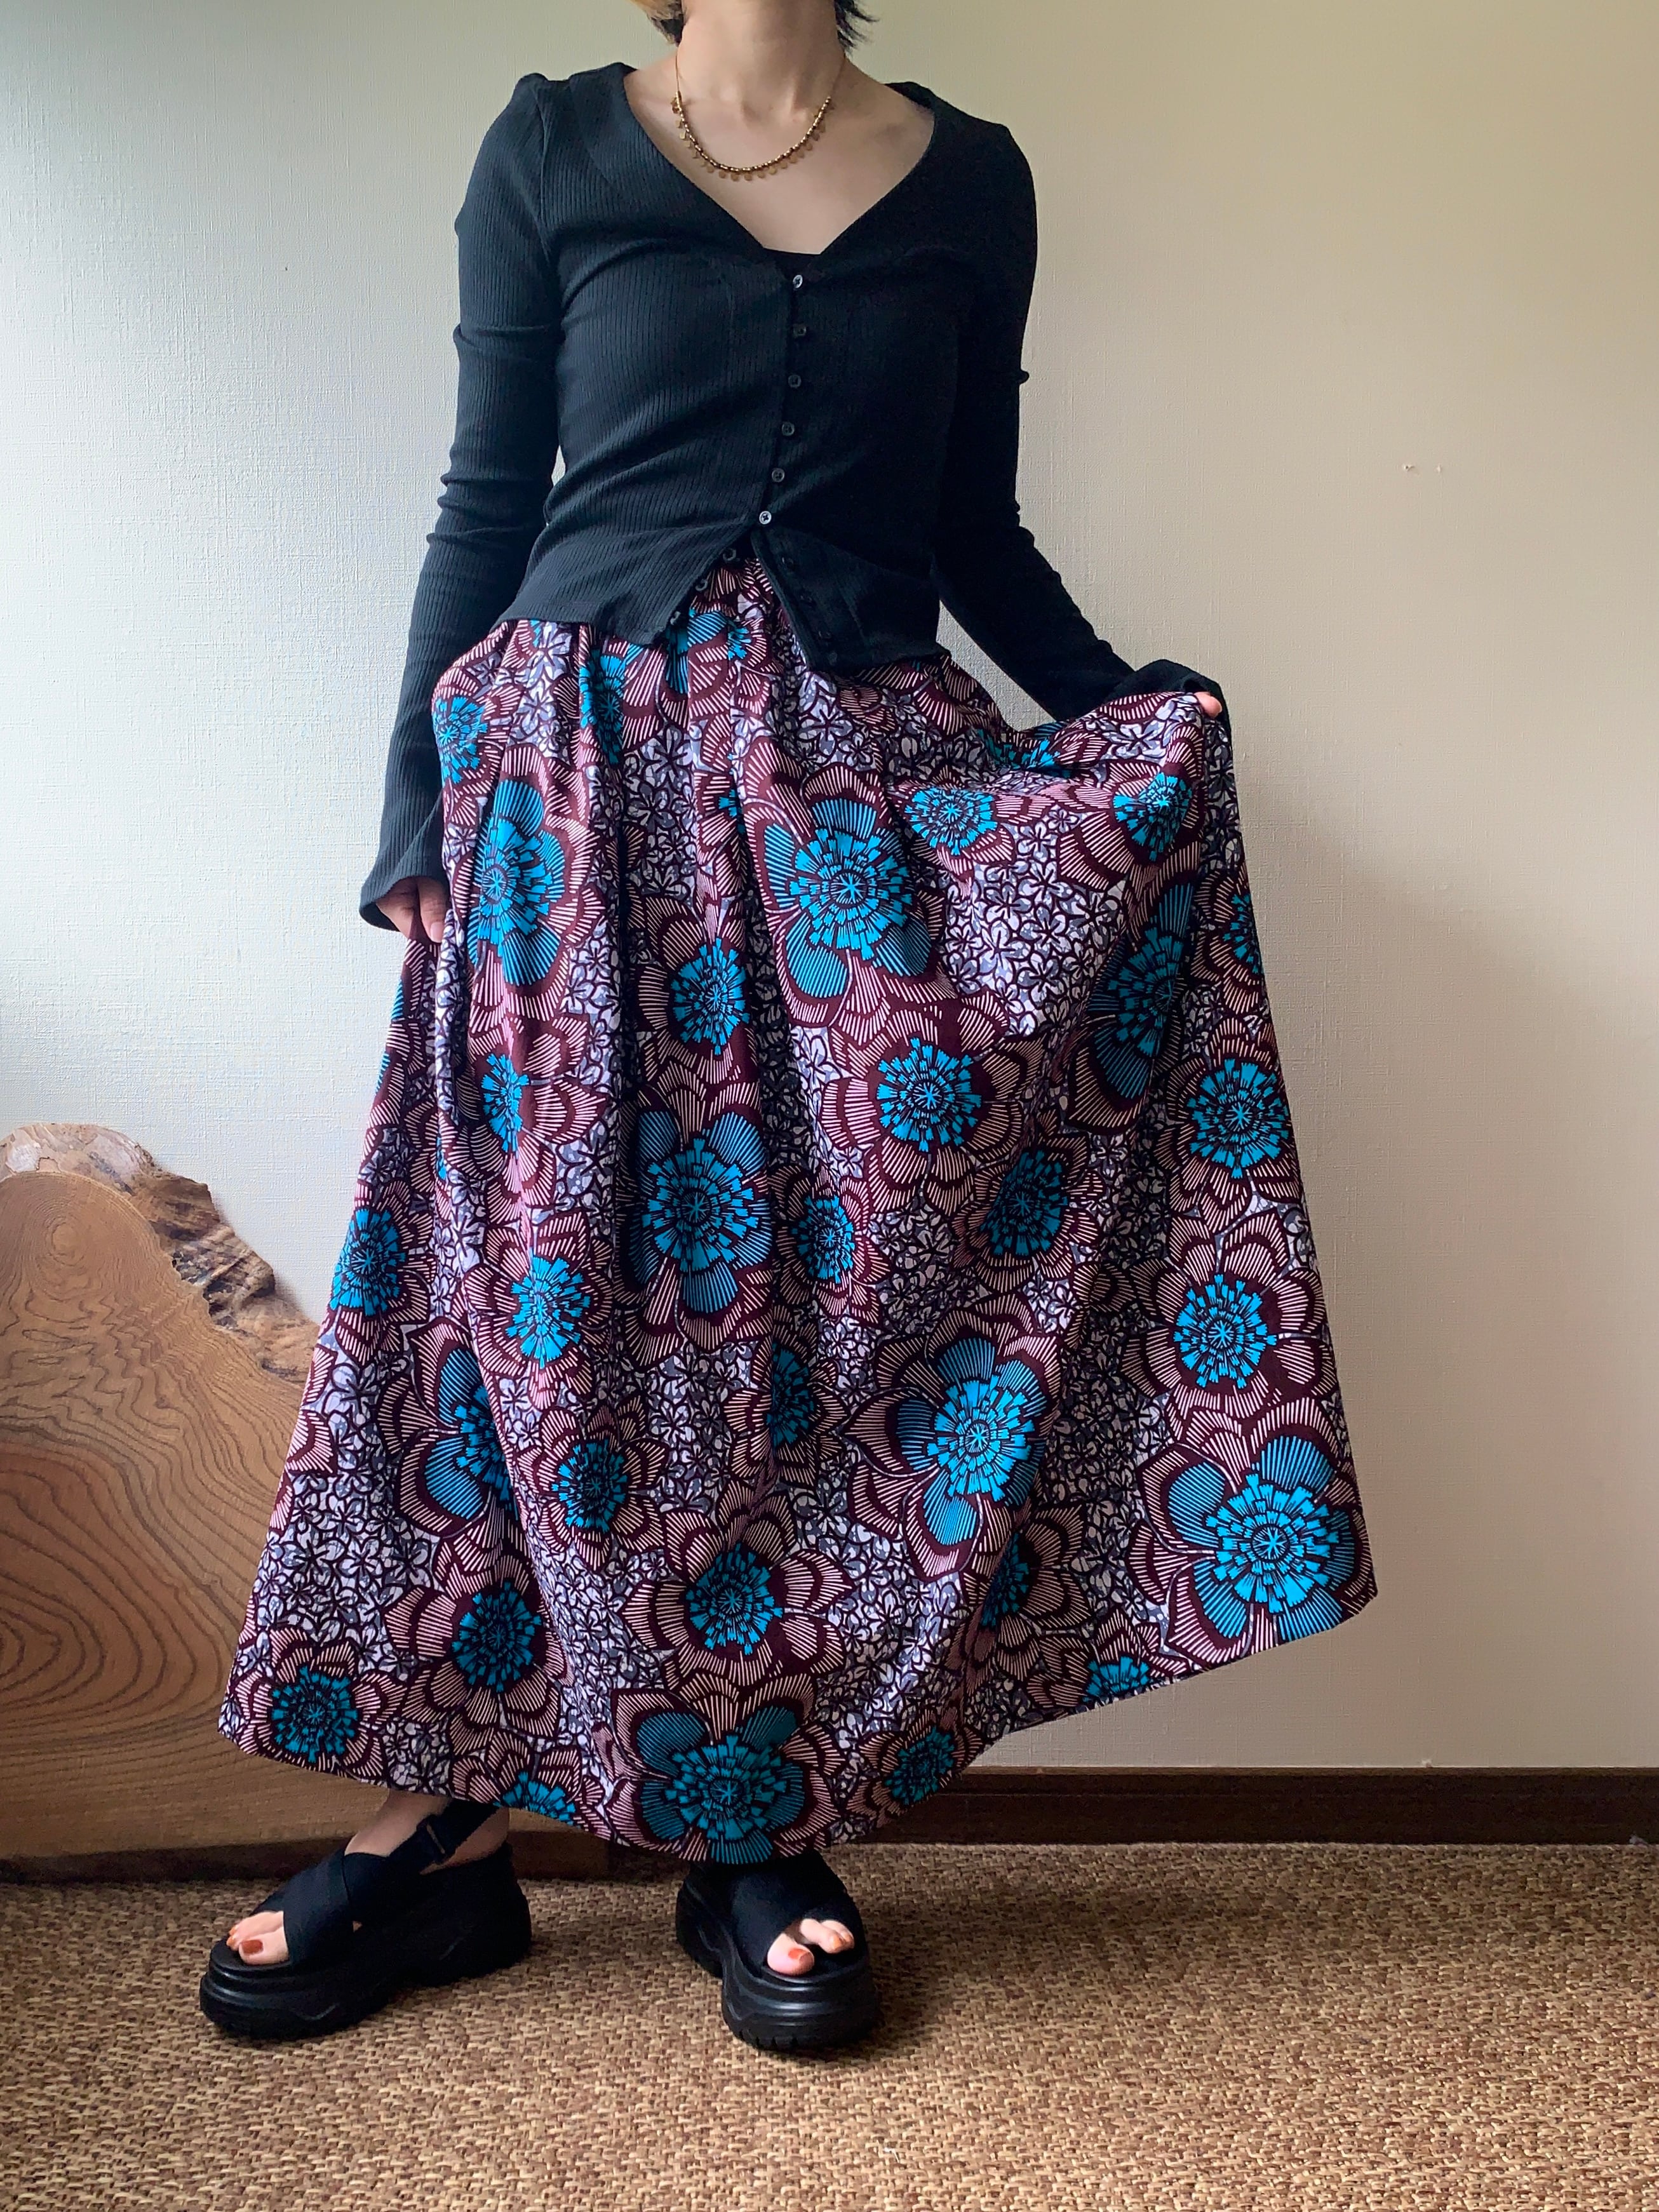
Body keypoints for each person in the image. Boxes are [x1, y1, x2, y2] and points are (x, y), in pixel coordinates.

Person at [202, 0, 1375, 2052]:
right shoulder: (552, 147)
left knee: (813, 1325)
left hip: (852, 820)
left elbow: (967, 529)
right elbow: (486, 498)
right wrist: (412, 811)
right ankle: (444, 1825)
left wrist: (1129, 722)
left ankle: (760, 1816)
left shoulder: (971, 178)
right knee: (529, 1306)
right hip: (575, 802)